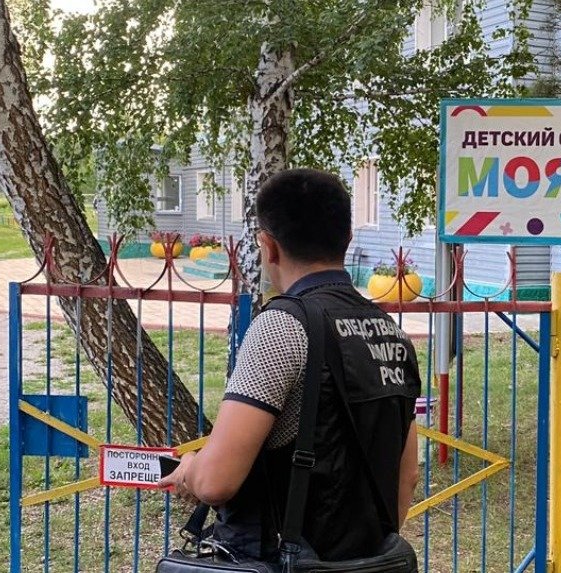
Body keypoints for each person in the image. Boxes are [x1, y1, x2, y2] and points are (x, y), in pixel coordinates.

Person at [159, 168, 421, 562]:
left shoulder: (282, 328)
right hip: (369, 563)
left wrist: (191, 468)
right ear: (348, 239)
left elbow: (216, 481)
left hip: (286, 561)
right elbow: (408, 475)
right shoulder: (392, 334)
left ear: (268, 246)